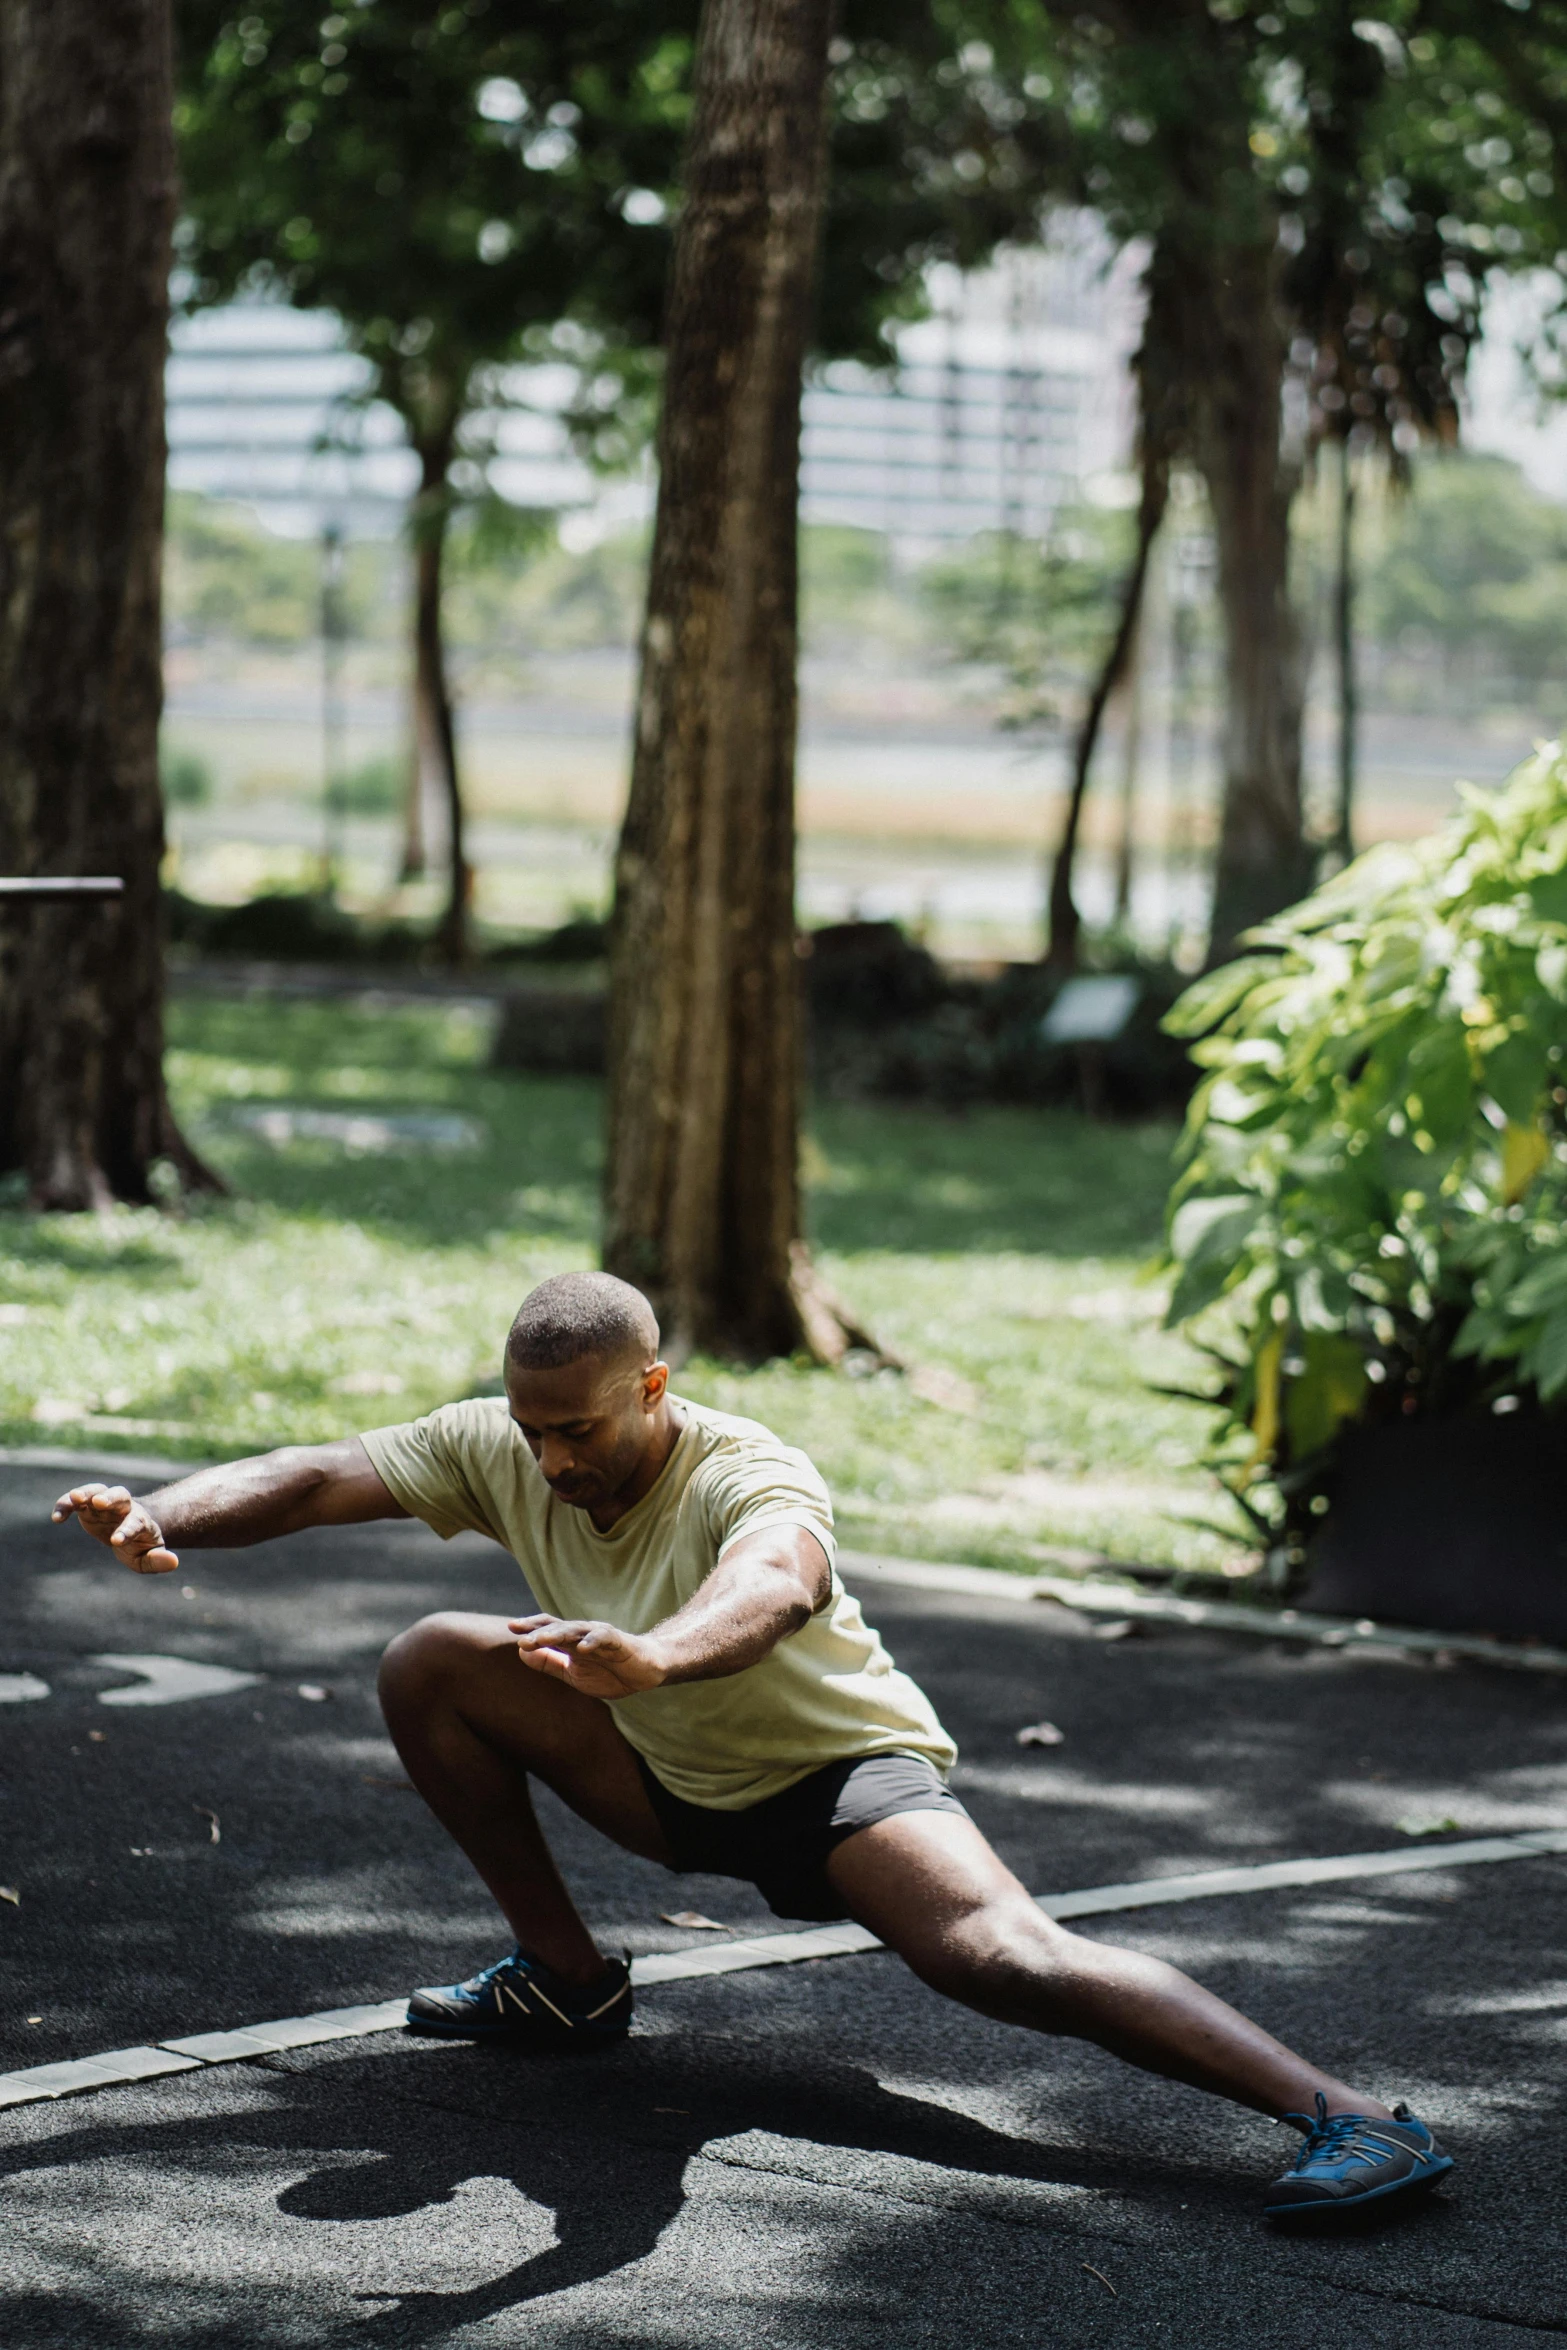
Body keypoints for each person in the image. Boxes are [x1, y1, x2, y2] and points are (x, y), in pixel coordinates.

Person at [54, 1270, 1451, 2224]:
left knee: (1008, 1961)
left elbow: (774, 1584)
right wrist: (165, 1512)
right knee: (430, 1657)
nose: (548, 1463)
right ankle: (565, 1979)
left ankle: (1348, 2115)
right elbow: (312, 1473)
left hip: (833, 1781)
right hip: (664, 1773)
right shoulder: (505, 1439)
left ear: (652, 1384)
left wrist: (652, 1654)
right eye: (531, 1431)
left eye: (579, 1428)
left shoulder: (746, 1468)